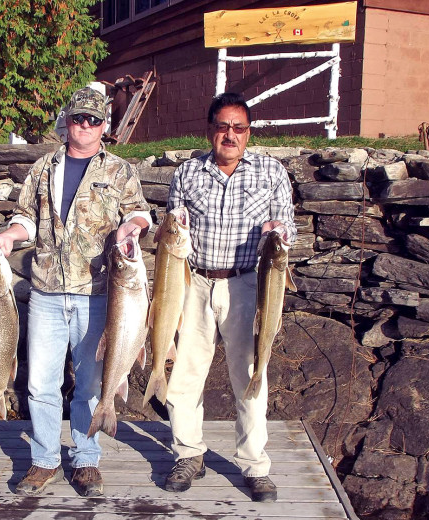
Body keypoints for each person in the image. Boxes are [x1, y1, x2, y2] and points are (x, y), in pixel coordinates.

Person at [0, 87, 152, 497]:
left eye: (93, 120)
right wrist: (10, 236)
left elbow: (138, 212)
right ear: (67, 121)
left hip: (100, 295)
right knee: (40, 384)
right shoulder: (43, 168)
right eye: (78, 118)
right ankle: (44, 460)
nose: (85, 125)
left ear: (104, 126)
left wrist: (131, 227)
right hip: (46, 292)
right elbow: (26, 218)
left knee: (90, 384)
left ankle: (85, 459)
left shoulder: (119, 170)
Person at [162, 92, 296, 503]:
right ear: (210, 130)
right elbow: (172, 227)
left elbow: (287, 226)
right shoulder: (187, 173)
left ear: (248, 133)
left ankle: (254, 465)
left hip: (244, 285)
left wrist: (279, 230)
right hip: (195, 282)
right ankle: (188, 454)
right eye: (223, 127)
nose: (230, 135)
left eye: (239, 128)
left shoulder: (271, 172)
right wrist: (174, 218)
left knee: (251, 375)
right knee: (185, 376)